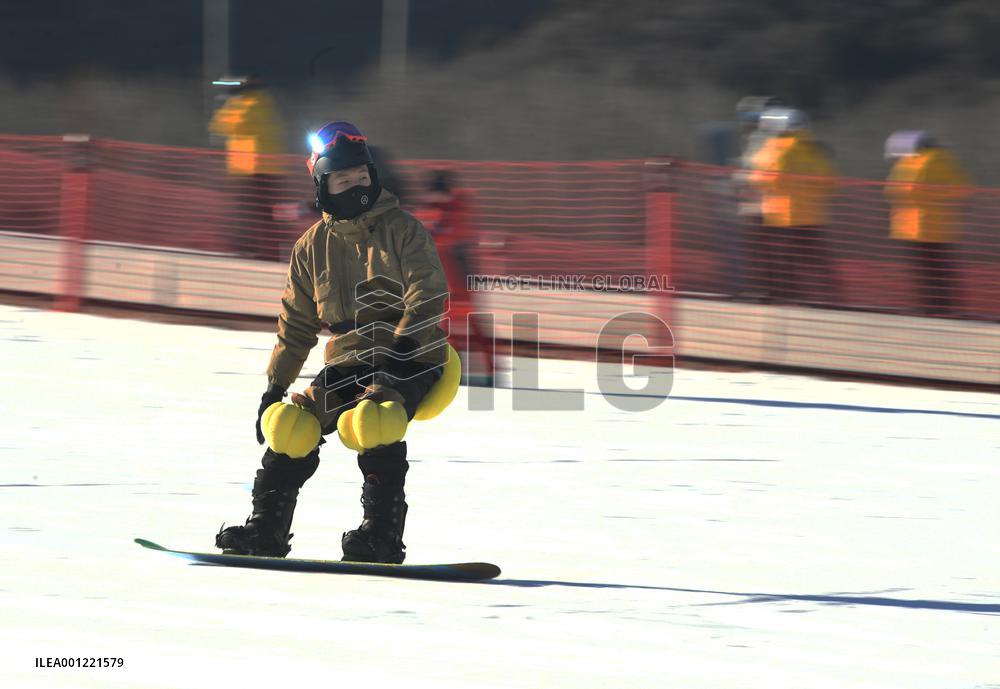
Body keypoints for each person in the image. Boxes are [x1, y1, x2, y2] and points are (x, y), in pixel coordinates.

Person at [215, 121, 457, 564]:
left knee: (375, 418)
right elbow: (296, 325)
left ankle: (381, 536)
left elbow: (429, 293)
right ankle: (266, 531)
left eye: (362, 177)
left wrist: (401, 354)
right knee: (291, 427)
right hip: (351, 358)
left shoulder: (403, 230)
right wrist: (274, 387)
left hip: (415, 352)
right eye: (344, 180)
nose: (357, 187)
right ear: (324, 185)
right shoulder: (311, 247)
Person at [748, 108, 841, 304]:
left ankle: (784, 296)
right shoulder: (815, 149)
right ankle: (832, 297)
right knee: (817, 261)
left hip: (780, 216)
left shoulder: (776, 148)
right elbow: (830, 182)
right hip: (812, 216)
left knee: (779, 259)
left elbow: (762, 178)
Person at [884, 130, 971, 316]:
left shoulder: (919, 162)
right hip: (939, 227)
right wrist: (938, 198)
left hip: (917, 228)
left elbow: (899, 192)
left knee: (925, 271)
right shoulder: (945, 159)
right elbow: (962, 188)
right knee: (939, 269)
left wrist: (928, 198)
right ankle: (943, 307)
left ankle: (931, 308)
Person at [209, 75, 288, 261]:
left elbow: (222, 125)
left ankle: (264, 251)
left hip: (255, 169)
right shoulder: (262, 103)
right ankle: (259, 248)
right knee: (256, 211)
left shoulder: (250, 104)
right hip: (256, 168)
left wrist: (228, 102)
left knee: (257, 212)